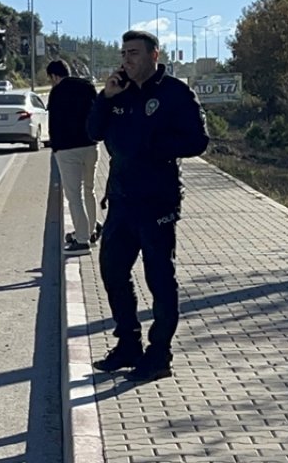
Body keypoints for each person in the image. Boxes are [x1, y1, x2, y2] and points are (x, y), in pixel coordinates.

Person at [86, 30, 209, 382]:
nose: (127, 60)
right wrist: (105, 98)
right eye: (124, 53)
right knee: (112, 271)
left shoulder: (175, 94)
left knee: (159, 278)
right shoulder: (117, 92)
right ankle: (128, 344)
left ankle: (159, 355)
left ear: (155, 56)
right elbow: (93, 132)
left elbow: (198, 141)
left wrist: (152, 145)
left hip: (157, 201)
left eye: (134, 53)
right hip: (122, 200)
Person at [45, 59, 102, 256]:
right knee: (89, 190)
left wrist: (54, 146)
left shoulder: (57, 92)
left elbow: (54, 123)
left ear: (54, 76)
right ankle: (92, 230)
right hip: (91, 146)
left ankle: (82, 239)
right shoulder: (88, 87)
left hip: (68, 150)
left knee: (73, 195)